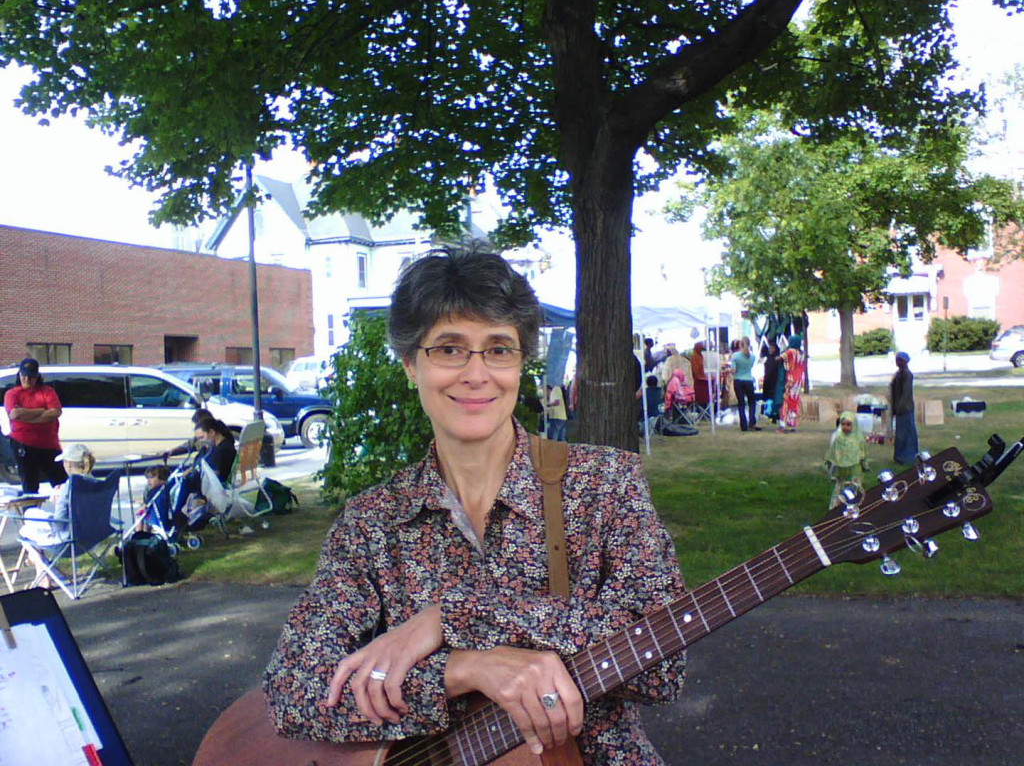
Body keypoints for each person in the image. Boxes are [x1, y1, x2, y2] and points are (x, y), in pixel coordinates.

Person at [263, 251, 687, 764]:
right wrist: (460, 670)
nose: (476, 374)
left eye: (499, 349)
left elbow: (662, 661)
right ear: (409, 364)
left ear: (520, 362)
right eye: (449, 348)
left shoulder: (603, 485)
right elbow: (293, 689)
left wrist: (452, 619)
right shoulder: (373, 523)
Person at [19, 443, 97, 588]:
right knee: (31, 517)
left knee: (25, 530)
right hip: (93, 536)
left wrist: (58, 499)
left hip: (68, 541)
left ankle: (44, 576)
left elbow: (59, 524)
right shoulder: (96, 483)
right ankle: (41, 574)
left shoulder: (69, 487)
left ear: (67, 464)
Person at [3, 358, 67, 495]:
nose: (26, 379)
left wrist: (26, 417)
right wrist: (42, 411)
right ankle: (30, 513)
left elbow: (56, 412)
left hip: (49, 445)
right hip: (23, 444)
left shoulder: (47, 391)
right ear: (19, 375)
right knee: (30, 485)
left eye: (31, 377)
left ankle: (66, 513)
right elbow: (14, 414)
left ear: (37, 376)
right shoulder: (12, 393)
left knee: (62, 483)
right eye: (23, 375)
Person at [169, 417, 237, 529]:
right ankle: (174, 517)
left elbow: (214, 473)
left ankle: (175, 519)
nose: (200, 441)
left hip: (214, 486)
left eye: (202, 437)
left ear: (212, 432)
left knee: (180, 483)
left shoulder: (221, 450)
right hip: (209, 483)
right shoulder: (212, 447)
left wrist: (191, 473)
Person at [823, 412, 869, 508]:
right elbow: (833, 452)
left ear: (854, 425)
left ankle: (855, 506)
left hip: (854, 469)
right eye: (842, 424)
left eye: (848, 425)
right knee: (840, 488)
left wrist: (863, 464)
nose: (845, 427)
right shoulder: (839, 438)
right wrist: (829, 462)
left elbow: (863, 453)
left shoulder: (858, 438)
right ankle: (837, 508)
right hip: (841, 470)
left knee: (855, 488)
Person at [890, 351, 918, 464]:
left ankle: (908, 456)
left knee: (907, 433)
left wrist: (900, 407)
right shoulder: (898, 374)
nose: (898, 362)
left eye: (900, 360)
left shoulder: (907, 374)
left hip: (905, 408)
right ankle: (900, 456)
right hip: (898, 408)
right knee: (900, 434)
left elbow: (906, 393)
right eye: (897, 360)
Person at [777, 335, 807, 433]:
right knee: (794, 401)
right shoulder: (802, 353)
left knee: (786, 401)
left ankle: (783, 424)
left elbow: (779, 358)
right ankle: (793, 424)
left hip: (791, 379)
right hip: (799, 380)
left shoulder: (791, 351)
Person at [731, 337, 759, 432]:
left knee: (741, 403)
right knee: (752, 402)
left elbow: (734, 370)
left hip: (738, 380)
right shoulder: (752, 357)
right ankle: (752, 422)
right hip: (749, 380)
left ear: (740, 344)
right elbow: (750, 367)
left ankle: (743, 425)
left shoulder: (735, 356)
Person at [761, 340, 782, 423]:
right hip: (768, 380)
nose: (770, 350)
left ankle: (774, 414)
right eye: (769, 348)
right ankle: (769, 412)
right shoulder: (768, 357)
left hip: (775, 380)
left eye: (772, 348)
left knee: (774, 397)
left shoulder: (777, 358)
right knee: (768, 397)